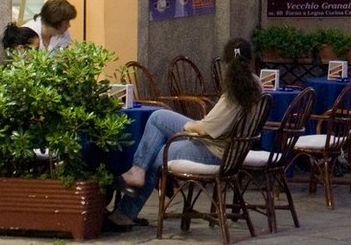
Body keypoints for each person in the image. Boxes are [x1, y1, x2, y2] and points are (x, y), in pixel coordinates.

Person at [108, 38, 262, 228]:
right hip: (231, 149)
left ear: (227, 64)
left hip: (217, 152)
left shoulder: (235, 91)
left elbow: (208, 128)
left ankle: (125, 211)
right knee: (158, 116)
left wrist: (190, 126)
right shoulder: (255, 84)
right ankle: (136, 172)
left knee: (158, 154)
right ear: (250, 60)